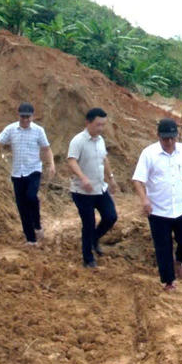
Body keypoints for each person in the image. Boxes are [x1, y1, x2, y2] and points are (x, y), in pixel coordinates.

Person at [131, 118, 182, 291]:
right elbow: (137, 180)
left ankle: (179, 261)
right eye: (166, 139)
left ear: (177, 136)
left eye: (173, 138)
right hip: (158, 209)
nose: (170, 142)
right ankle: (168, 281)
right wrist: (144, 200)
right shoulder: (149, 154)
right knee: (163, 247)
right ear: (158, 136)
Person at [0, 102, 55, 245]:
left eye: (28, 117)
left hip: (34, 170)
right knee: (21, 205)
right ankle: (30, 239)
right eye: (22, 117)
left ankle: (37, 225)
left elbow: (46, 149)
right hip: (17, 173)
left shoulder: (38, 131)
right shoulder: (11, 129)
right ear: (18, 115)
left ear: (33, 116)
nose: (25, 120)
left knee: (31, 197)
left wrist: (51, 164)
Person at [66, 107, 118, 268]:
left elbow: (104, 159)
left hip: (100, 188)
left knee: (111, 216)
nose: (101, 128)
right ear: (88, 123)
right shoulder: (78, 141)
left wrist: (111, 178)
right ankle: (88, 258)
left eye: (103, 125)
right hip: (82, 191)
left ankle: (94, 239)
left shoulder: (100, 140)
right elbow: (71, 160)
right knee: (88, 223)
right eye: (98, 125)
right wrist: (83, 178)